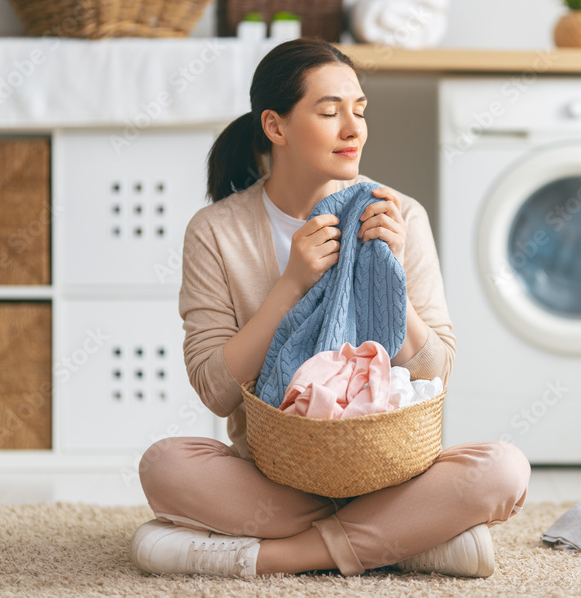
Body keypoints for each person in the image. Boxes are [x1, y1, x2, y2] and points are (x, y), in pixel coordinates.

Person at [128, 38, 531, 580]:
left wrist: (389, 280)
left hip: (390, 471)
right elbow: (216, 389)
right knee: (165, 465)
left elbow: (436, 371)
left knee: (503, 469)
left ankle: (283, 556)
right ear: (275, 126)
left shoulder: (398, 214)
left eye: (360, 110)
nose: (353, 129)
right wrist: (290, 285)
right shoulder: (217, 231)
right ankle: (407, 540)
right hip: (275, 475)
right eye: (329, 111)